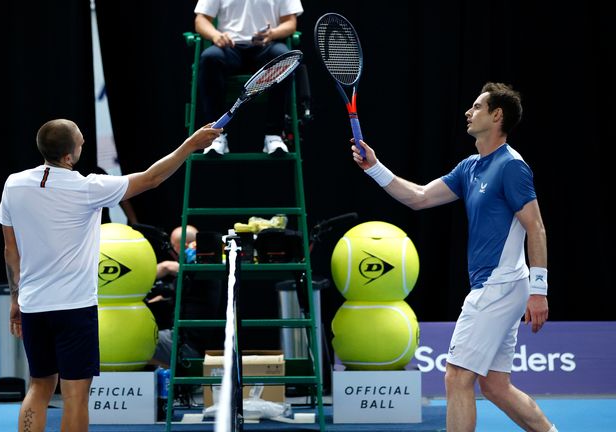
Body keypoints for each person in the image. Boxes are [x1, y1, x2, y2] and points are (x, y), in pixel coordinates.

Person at [351, 82, 556, 432]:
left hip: (499, 284)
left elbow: (535, 228)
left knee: (457, 376)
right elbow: (418, 197)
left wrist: (539, 291)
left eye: (476, 107)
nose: (468, 112)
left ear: (497, 115)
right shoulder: (471, 167)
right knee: (494, 385)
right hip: (502, 285)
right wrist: (375, 167)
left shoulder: (511, 167)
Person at [0, 119, 220, 432]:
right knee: (75, 397)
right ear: (69, 156)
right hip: (74, 309)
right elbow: (152, 178)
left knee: (39, 386)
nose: (83, 142)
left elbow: (10, 250)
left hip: (34, 306)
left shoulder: (13, 184)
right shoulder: (88, 188)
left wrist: (16, 298)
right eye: (81, 141)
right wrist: (190, 145)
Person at [194, 0, 303, 155]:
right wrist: (215, 35)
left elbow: (290, 23)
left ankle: (274, 135)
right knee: (210, 58)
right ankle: (215, 135)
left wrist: (273, 33)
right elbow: (201, 20)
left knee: (283, 57)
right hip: (230, 47)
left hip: (266, 46)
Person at [149, 225, 199, 367]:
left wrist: (138, 279)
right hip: (191, 340)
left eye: (172, 246)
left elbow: (167, 267)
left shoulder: (194, 267)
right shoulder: (205, 267)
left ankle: (178, 375)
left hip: (186, 344)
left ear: (182, 246)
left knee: (135, 343)